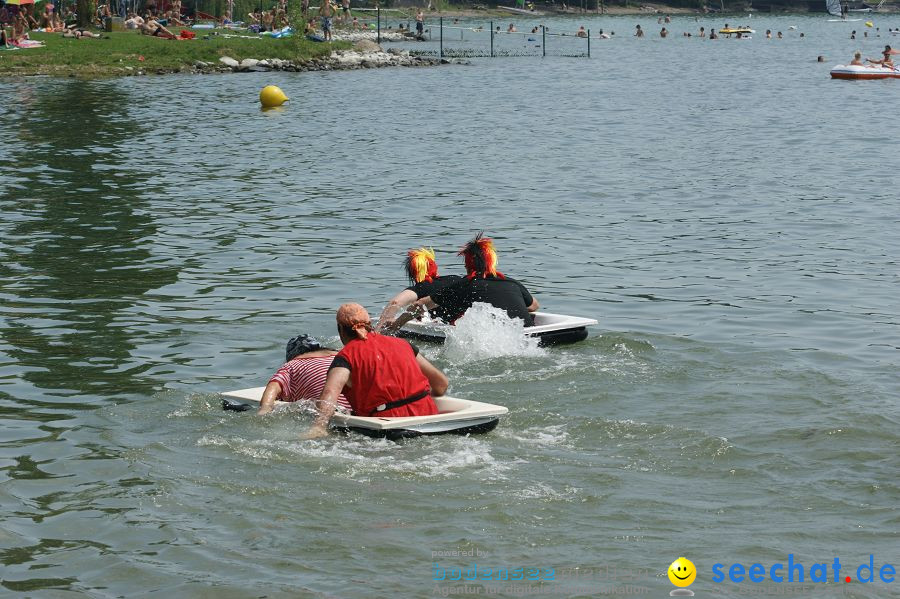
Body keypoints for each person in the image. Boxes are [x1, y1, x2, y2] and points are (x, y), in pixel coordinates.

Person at [302, 304, 448, 439]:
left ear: (340, 329)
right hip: (428, 420)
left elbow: (329, 394)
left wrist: (319, 426)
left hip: (388, 430)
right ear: (369, 325)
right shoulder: (404, 344)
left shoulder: (346, 357)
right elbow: (441, 385)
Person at [402, 233, 539, 328]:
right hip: (528, 334)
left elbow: (421, 305)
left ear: (468, 265)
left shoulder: (465, 285)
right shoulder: (512, 282)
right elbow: (534, 306)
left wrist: (396, 324)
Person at [257, 334, 350, 415]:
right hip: (357, 411)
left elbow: (273, 387)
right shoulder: (344, 358)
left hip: (326, 413)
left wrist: (264, 411)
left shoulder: (292, 365)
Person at [377, 247, 462, 331]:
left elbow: (395, 302)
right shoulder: (456, 279)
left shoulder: (422, 288)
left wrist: (379, 328)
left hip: (440, 333)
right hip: (462, 327)